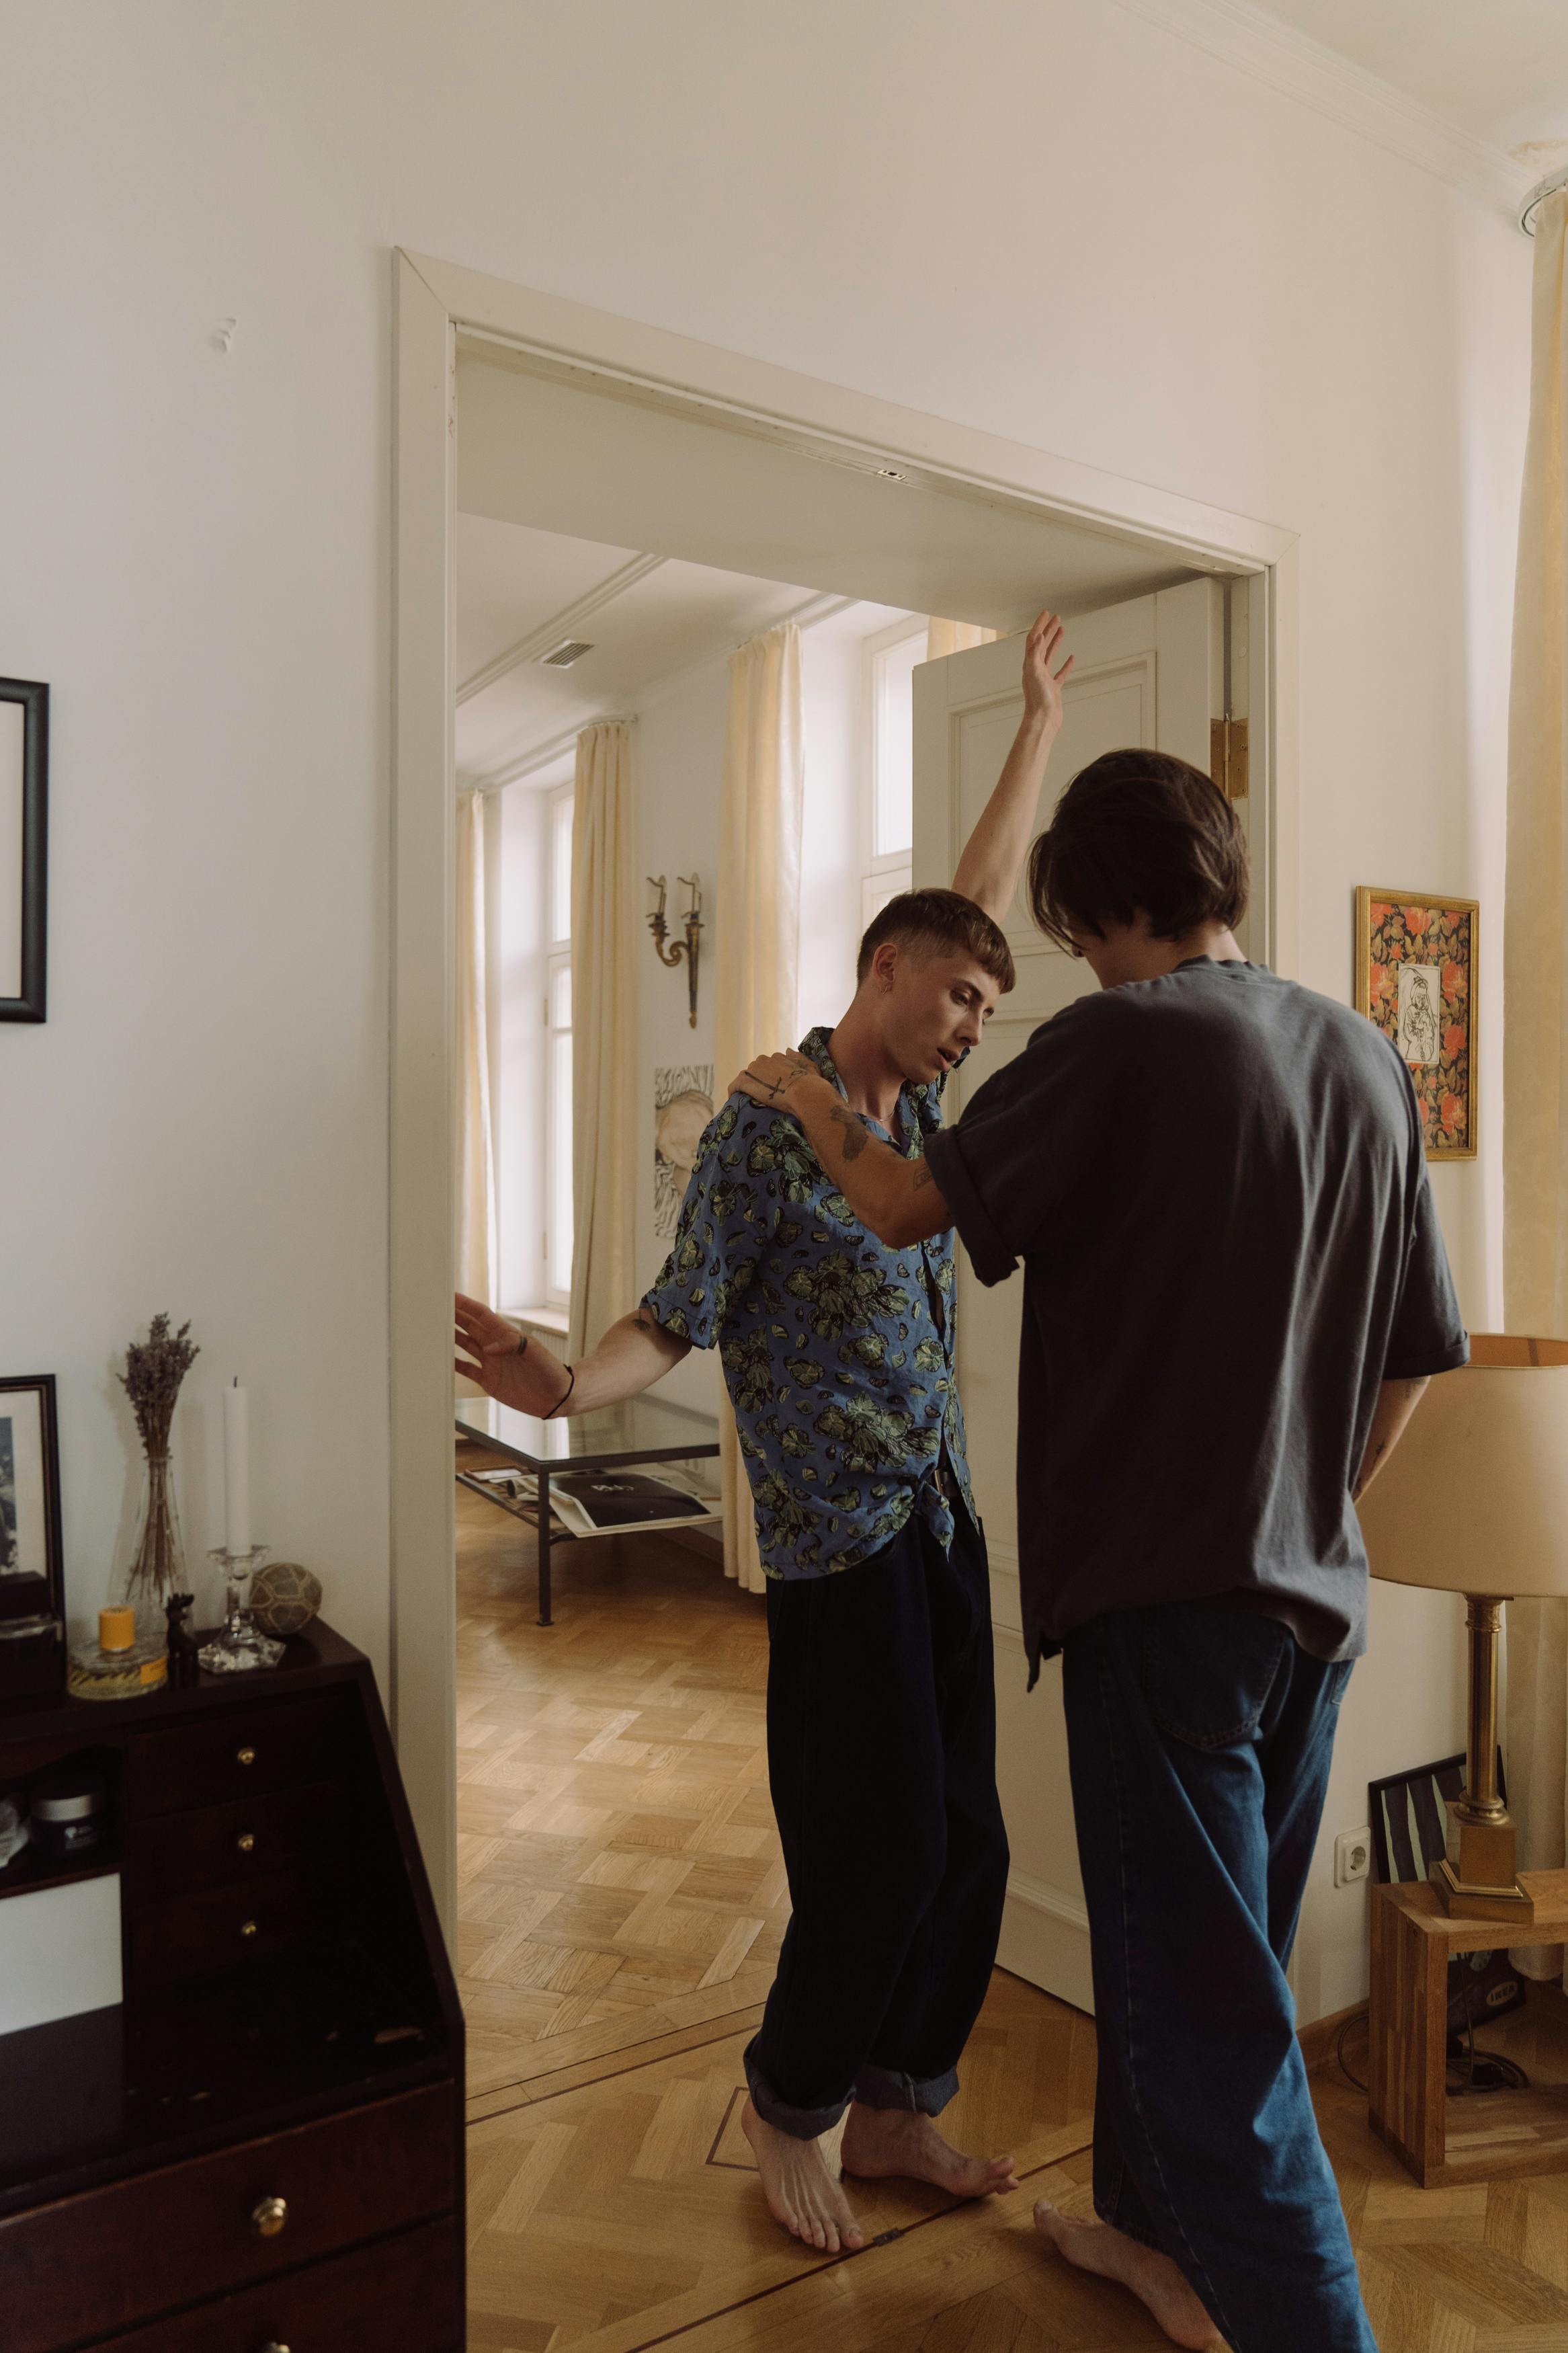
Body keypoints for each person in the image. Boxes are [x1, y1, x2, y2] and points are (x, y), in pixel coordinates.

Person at [730, 748, 1467, 2353]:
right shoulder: (1362, 1050)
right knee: (1204, 1967)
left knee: (1208, 2026)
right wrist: (1316, 1495)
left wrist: (804, 1097)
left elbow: (904, 1203)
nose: (1074, 960)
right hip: (1314, 1611)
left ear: (1111, 904)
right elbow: (1417, 1353)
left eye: (1073, 931)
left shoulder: (1121, 1040)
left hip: (1164, 1610)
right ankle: (1150, 2235)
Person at [456, 610, 1076, 2258]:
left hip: (939, 1515)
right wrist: (557, 1389)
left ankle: (899, 2102)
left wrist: (1033, 725)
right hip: (833, 1540)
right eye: (956, 997)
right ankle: (788, 2101)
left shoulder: (914, 1110)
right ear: (881, 974)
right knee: (877, 1849)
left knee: (970, 1839)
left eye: (983, 1004)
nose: (971, 1021)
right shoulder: (759, 1130)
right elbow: (677, 1312)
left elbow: (967, 906)